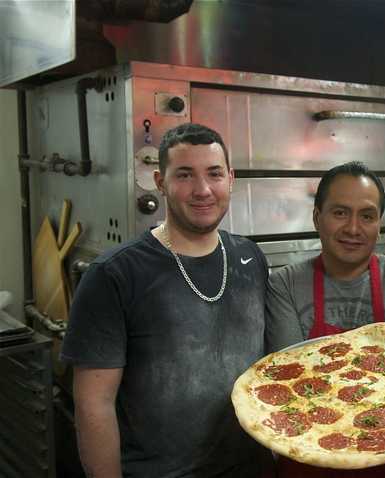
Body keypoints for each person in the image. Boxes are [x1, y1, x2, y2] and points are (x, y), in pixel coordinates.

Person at [61, 123, 274, 477]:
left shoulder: (250, 257)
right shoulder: (114, 275)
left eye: (214, 173)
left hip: (250, 467)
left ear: (231, 179)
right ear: (160, 182)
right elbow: (93, 404)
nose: (203, 189)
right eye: (185, 175)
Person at [265, 160, 385, 477]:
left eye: (367, 216)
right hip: (309, 451)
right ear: (317, 217)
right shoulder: (284, 283)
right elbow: (292, 385)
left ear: (379, 224)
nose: (353, 228)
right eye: (340, 213)